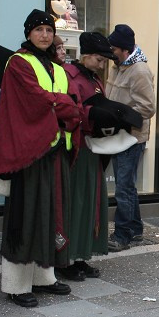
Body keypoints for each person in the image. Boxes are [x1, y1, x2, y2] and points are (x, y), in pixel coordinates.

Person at [0, 9, 81, 307]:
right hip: (29, 153)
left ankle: (43, 276)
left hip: (53, 150)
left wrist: (63, 106)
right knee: (26, 217)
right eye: (38, 29)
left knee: (50, 214)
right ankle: (16, 284)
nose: (44, 35)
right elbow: (37, 100)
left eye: (49, 30)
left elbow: (70, 101)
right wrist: (64, 106)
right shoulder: (18, 63)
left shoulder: (55, 65)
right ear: (28, 33)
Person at [57, 32, 118, 281]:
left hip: (92, 147)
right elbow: (70, 109)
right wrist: (94, 114)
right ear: (87, 55)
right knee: (76, 203)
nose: (103, 65)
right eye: (100, 59)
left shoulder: (92, 78)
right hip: (77, 148)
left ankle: (82, 255)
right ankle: (66, 258)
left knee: (91, 203)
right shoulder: (70, 76)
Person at [106, 24, 155, 252]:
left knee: (123, 188)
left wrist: (120, 119)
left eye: (114, 48)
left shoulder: (139, 71)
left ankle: (122, 234)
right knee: (128, 186)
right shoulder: (118, 66)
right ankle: (135, 228)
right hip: (119, 134)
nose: (110, 51)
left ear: (125, 49)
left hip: (131, 137)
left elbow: (147, 107)